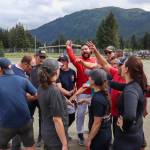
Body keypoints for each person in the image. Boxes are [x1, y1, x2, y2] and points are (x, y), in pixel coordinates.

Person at [0, 58, 37, 150]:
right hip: (25, 121)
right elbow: (37, 94)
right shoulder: (23, 80)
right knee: (30, 145)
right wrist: (26, 98)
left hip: (6, 123)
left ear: (0, 69)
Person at [113, 56, 147, 150]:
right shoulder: (134, 85)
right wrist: (107, 83)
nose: (121, 66)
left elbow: (130, 115)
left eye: (123, 65)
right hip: (135, 134)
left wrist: (124, 127)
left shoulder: (130, 90)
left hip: (126, 140)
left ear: (126, 69)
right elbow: (122, 86)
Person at [66, 40, 96, 145]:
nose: (84, 50)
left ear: (90, 50)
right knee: (81, 114)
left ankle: (92, 132)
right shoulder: (79, 61)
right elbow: (72, 58)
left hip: (94, 93)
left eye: (86, 49)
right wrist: (69, 48)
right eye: (82, 49)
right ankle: (80, 133)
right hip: (82, 93)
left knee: (94, 114)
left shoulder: (94, 61)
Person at [38, 59, 68, 150]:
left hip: (47, 131)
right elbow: (57, 119)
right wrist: (64, 143)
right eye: (59, 68)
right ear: (56, 72)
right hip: (55, 137)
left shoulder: (41, 86)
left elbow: (48, 103)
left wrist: (63, 100)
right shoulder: (53, 90)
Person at [11, 55, 36, 150]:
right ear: (25, 64)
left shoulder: (12, 68)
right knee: (19, 138)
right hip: (17, 111)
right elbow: (26, 97)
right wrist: (38, 95)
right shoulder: (20, 76)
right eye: (32, 66)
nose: (33, 69)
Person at [85, 69, 111, 150]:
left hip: (99, 137)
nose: (88, 78)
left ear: (93, 81)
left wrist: (89, 139)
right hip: (106, 132)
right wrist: (87, 101)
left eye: (90, 77)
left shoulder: (97, 99)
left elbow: (97, 123)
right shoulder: (103, 93)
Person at [29, 50, 47, 147]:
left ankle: (41, 137)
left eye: (44, 57)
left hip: (42, 97)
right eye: (40, 57)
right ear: (35, 56)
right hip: (32, 97)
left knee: (42, 118)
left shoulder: (46, 69)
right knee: (28, 117)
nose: (42, 59)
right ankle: (29, 136)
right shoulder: (30, 68)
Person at [58, 54, 76, 129]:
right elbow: (59, 87)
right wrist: (68, 93)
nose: (61, 63)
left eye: (63, 61)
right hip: (61, 97)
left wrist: (74, 94)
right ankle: (62, 132)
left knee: (72, 116)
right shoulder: (58, 72)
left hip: (71, 97)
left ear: (67, 62)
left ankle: (64, 129)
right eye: (60, 61)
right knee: (62, 116)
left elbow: (74, 84)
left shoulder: (72, 72)